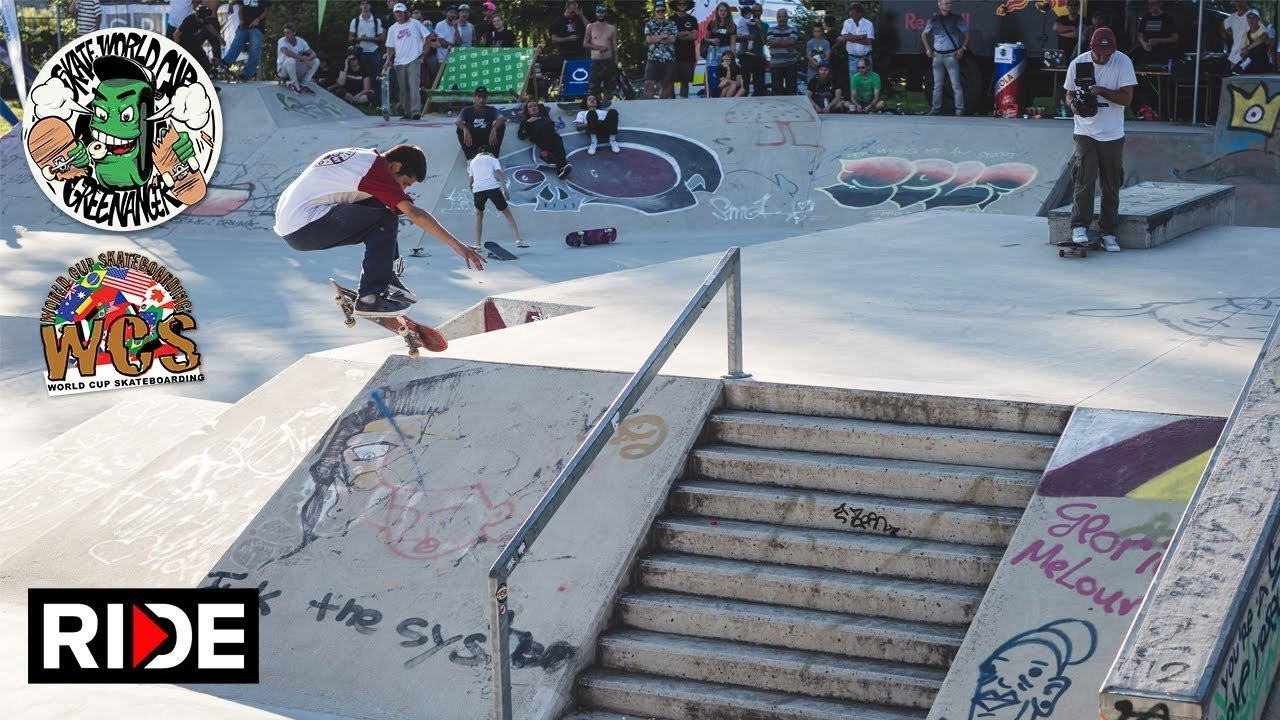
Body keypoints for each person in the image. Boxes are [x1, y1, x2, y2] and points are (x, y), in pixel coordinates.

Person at [274, 144, 485, 317]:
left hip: (292, 222)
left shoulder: (362, 157)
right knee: (386, 217)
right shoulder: (376, 171)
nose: (402, 189)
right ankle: (370, 297)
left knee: (385, 206)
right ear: (395, 166)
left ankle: (386, 276)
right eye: (404, 183)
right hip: (304, 225)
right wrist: (457, 245)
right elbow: (414, 213)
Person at [1064, 27, 1135, 253]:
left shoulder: (1123, 62)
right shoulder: (1078, 63)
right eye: (1100, 54)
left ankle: (1108, 232)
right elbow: (1068, 93)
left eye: (1108, 54)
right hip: (1085, 131)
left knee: (1111, 184)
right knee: (1084, 178)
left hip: (1112, 134)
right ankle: (1079, 227)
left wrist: (1100, 91)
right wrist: (1073, 105)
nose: (1104, 58)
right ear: (1091, 49)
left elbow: (1126, 99)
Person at [468, 147, 527, 251]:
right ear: (489, 153)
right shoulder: (493, 159)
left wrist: (474, 191)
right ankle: (518, 240)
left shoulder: (473, 161)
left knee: (479, 214)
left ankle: (477, 244)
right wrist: (505, 189)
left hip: (478, 190)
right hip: (493, 188)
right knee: (507, 213)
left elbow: (470, 181)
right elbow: (498, 173)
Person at [922, 0, 969, 116]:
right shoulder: (934, 19)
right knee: (937, 85)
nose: (949, 5)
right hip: (937, 55)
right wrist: (928, 49)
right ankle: (935, 109)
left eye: (949, 3)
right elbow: (924, 34)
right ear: (940, 5)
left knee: (956, 84)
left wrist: (962, 48)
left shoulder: (956, 18)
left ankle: (959, 110)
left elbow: (967, 33)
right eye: (946, 3)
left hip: (951, 55)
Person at [386, 2, 430, 120]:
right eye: (397, 12)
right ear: (394, 14)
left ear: (405, 12)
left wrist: (425, 48)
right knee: (403, 88)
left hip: (413, 59)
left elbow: (427, 35)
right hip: (399, 61)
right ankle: (407, 111)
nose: (399, 14)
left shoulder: (415, 23)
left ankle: (416, 111)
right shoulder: (392, 29)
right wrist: (387, 61)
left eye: (401, 12)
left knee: (414, 85)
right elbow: (390, 46)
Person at [517, 100, 572, 179]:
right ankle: (557, 164)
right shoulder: (525, 121)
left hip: (553, 138)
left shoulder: (545, 117)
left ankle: (560, 170)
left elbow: (542, 106)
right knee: (556, 143)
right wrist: (527, 122)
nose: (533, 108)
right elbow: (521, 136)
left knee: (558, 142)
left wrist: (538, 116)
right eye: (530, 107)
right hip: (541, 139)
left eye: (535, 106)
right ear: (527, 111)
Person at [222, 0, 270, 81]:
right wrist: (240, 19)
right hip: (244, 25)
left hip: (257, 26)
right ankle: (226, 62)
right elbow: (240, 7)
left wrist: (258, 19)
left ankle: (248, 73)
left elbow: (267, 10)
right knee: (236, 43)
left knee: (254, 49)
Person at [174, 2, 225, 76]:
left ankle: (207, 73)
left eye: (203, 19)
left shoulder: (202, 18)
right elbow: (176, 35)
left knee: (203, 58)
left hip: (193, 41)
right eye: (201, 19)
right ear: (197, 14)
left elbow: (210, 27)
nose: (202, 21)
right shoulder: (189, 20)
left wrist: (219, 38)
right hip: (184, 43)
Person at [456, 86, 506, 160]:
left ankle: (493, 155)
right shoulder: (467, 110)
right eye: (479, 96)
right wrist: (465, 129)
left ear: (486, 98)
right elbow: (457, 121)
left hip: (488, 139)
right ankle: (470, 157)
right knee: (460, 128)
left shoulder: (491, 109)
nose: (481, 99)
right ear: (475, 97)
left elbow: (501, 118)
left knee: (501, 125)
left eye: (484, 97)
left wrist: (494, 128)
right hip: (472, 140)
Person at [643, 2, 678, 100]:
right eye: (658, 11)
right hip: (653, 58)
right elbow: (648, 40)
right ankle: (649, 107)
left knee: (666, 84)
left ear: (665, 11)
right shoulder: (649, 24)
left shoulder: (672, 24)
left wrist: (655, 38)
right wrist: (662, 36)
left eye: (662, 10)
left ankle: (662, 106)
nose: (660, 13)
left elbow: (672, 39)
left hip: (668, 58)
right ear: (654, 12)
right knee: (648, 83)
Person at [584, 4, 618, 99]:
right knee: (594, 89)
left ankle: (608, 105)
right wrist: (598, 47)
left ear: (606, 13)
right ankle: (596, 107)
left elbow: (614, 46)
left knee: (609, 88)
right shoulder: (590, 27)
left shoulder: (611, 28)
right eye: (599, 12)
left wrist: (616, 61)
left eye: (602, 13)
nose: (600, 15)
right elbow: (585, 44)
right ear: (596, 13)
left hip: (608, 61)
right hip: (596, 61)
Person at [703, 3, 736, 97]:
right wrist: (712, 40)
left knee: (725, 73)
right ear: (717, 12)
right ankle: (710, 94)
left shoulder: (732, 26)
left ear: (728, 12)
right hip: (712, 51)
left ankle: (722, 94)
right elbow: (705, 39)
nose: (723, 13)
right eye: (721, 10)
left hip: (726, 51)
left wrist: (733, 56)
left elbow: (733, 42)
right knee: (711, 72)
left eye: (725, 11)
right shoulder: (712, 23)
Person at [1132, 0, 1179, 66]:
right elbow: (1140, 35)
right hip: (1147, 50)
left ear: (1160, 4)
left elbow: (1175, 38)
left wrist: (1159, 40)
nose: (1150, 6)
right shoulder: (1146, 17)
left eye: (1153, 4)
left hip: (1163, 51)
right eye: (1149, 4)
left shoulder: (1167, 18)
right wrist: (1144, 43)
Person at [737, 2, 769, 96]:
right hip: (745, 55)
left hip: (758, 56)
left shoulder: (765, 25)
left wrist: (759, 27)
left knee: (758, 84)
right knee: (744, 82)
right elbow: (737, 38)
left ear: (761, 12)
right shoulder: (745, 21)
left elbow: (765, 41)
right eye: (754, 11)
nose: (756, 13)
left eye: (758, 11)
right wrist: (747, 37)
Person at [766, 8, 799, 96]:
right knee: (777, 92)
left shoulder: (793, 29)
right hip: (776, 65)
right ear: (777, 18)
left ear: (787, 18)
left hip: (790, 64)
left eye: (784, 16)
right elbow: (770, 42)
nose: (782, 19)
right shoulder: (770, 29)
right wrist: (787, 42)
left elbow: (792, 41)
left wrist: (777, 41)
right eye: (780, 17)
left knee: (792, 91)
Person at [671, 0, 700, 98]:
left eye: (684, 4)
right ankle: (670, 103)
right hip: (672, 56)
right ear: (676, 5)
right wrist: (687, 33)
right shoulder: (670, 20)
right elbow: (671, 37)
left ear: (688, 5)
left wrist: (678, 35)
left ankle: (683, 103)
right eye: (679, 4)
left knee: (685, 82)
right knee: (670, 81)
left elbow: (694, 36)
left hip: (688, 55)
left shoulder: (692, 19)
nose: (682, 6)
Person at [838, 3, 875, 79]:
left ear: (860, 13)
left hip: (866, 58)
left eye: (853, 13)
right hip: (853, 58)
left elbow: (868, 42)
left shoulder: (868, 24)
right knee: (854, 82)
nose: (850, 15)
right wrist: (862, 36)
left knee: (868, 81)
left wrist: (851, 38)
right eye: (850, 12)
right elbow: (845, 37)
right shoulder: (847, 22)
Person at [1231, 8, 1274, 73]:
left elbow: (1262, 39)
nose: (1251, 20)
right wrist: (1245, 53)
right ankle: (1242, 67)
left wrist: (1248, 48)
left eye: (1254, 18)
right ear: (1247, 20)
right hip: (1252, 63)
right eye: (1249, 18)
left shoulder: (1263, 29)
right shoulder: (1245, 35)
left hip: (1264, 61)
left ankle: (1243, 66)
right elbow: (1243, 51)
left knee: (1259, 46)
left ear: (1258, 19)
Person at [277, 24, 317, 91]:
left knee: (316, 61)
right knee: (290, 60)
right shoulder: (281, 40)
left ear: (294, 32)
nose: (286, 35)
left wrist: (307, 60)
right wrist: (302, 59)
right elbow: (287, 53)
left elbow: (313, 53)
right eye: (284, 33)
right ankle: (294, 84)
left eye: (288, 33)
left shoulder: (301, 41)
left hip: (296, 68)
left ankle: (304, 84)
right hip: (283, 70)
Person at [349, 0, 386, 75]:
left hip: (374, 52)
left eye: (367, 3)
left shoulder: (376, 21)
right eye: (363, 3)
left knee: (376, 76)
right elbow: (350, 38)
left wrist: (369, 39)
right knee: (362, 75)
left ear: (370, 6)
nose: (365, 5)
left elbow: (382, 38)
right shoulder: (355, 21)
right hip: (360, 52)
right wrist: (360, 39)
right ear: (360, 6)